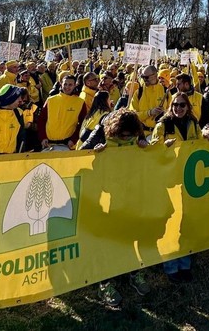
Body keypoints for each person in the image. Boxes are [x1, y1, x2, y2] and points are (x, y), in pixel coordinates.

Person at [79, 109, 149, 305]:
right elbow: (80, 154)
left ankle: (134, 272)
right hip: (106, 195)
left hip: (130, 193)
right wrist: (95, 152)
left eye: (130, 135)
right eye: (122, 135)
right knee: (108, 239)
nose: (126, 138)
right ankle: (105, 283)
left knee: (131, 234)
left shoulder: (136, 131)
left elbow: (147, 150)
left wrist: (146, 146)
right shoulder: (101, 130)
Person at [152, 92, 209, 282]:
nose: (178, 109)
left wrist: (206, 138)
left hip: (189, 179)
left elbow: (197, 146)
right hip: (169, 180)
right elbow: (151, 150)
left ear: (188, 107)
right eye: (175, 105)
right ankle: (171, 266)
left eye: (182, 105)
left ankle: (185, 262)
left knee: (186, 220)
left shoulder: (193, 124)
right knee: (172, 223)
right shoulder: (163, 125)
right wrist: (163, 146)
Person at [37, 74, 87, 151]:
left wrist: (74, 139)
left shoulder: (80, 102)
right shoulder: (50, 100)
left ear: (75, 85)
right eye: (65, 84)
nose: (67, 87)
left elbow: (83, 124)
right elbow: (41, 120)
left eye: (70, 85)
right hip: (48, 144)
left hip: (67, 144)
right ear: (61, 84)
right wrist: (43, 137)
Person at [129, 65, 170, 134]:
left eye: (146, 77)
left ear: (155, 75)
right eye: (142, 77)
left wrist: (165, 113)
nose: (144, 79)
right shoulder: (139, 93)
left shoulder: (166, 92)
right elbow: (132, 116)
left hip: (162, 133)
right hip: (143, 134)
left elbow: (171, 113)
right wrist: (149, 113)